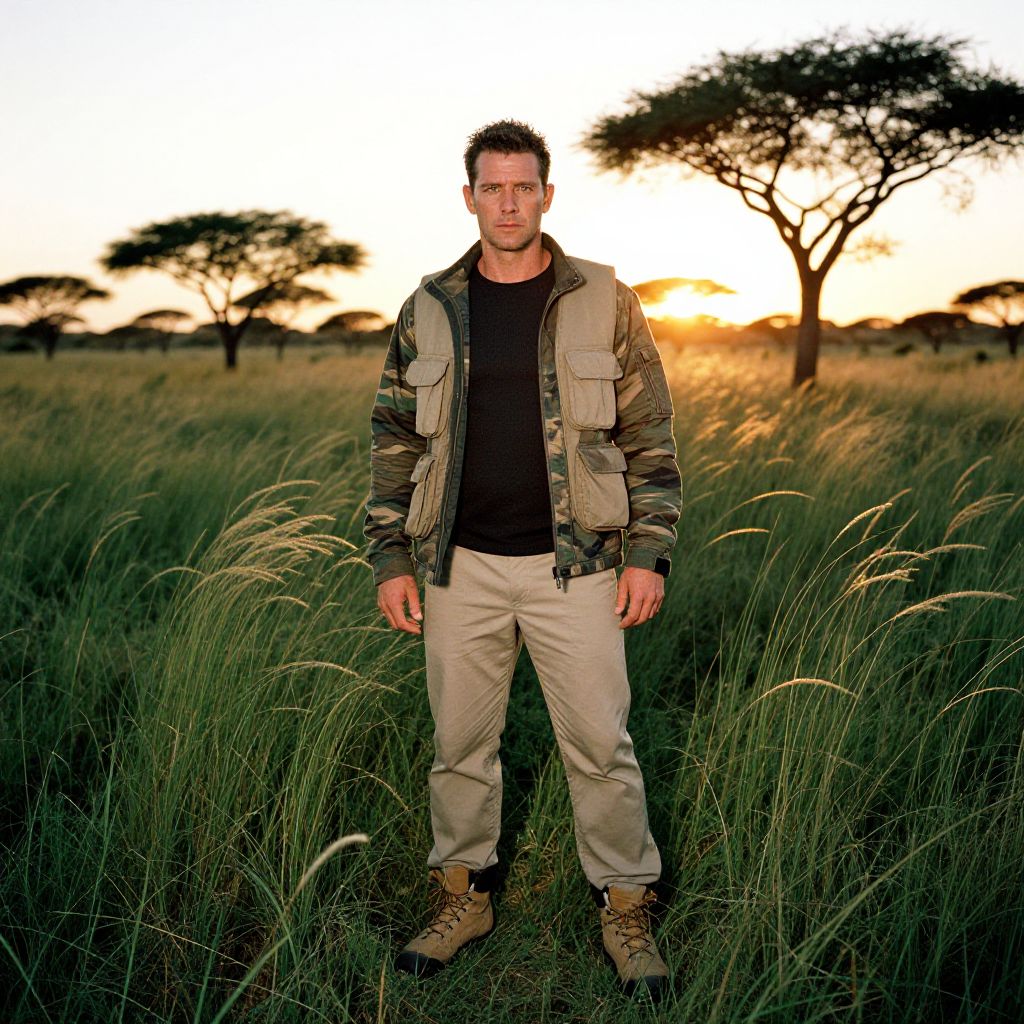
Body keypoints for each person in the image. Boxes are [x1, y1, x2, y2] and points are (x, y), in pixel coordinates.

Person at [363, 119, 681, 1002]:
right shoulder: (427, 304)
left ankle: (625, 905)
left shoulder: (605, 297)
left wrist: (648, 551)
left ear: (547, 193)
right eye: (491, 187)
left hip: (576, 570)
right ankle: (463, 897)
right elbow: (393, 438)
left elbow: (649, 432)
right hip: (456, 567)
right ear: (469, 197)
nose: (508, 202)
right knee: (459, 748)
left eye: (524, 186)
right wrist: (390, 557)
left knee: (600, 748)